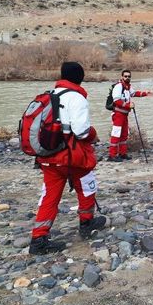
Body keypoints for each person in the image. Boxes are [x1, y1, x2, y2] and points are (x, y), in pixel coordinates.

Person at [30, 62, 106, 255]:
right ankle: (87, 223)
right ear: (80, 77)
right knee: (87, 186)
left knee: (49, 196)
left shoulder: (49, 96)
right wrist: (94, 135)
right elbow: (81, 132)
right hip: (71, 157)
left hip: (48, 156)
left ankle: (38, 238)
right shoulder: (77, 98)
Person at [108, 69, 153, 162]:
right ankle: (112, 155)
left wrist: (145, 93)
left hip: (124, 114)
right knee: (116, 134)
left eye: (129, 76)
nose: (127, 77)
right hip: (118, 114)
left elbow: (134, 93)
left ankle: (122, 153)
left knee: (124, 134)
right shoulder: (119, 86)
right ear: (122, 77)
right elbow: (116, 100)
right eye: (125, 76)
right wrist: (128, 105)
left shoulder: (128, 87)